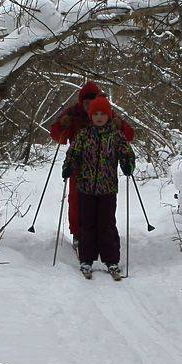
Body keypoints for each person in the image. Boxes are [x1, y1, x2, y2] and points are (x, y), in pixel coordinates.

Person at [49, 82, 134, 249]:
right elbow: (57, 135)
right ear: (81, 102)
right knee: (77, 202)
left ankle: (103, 235)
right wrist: (63, 124)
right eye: (86, 103)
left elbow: (128, 136)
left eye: (91, 102)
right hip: (79, 167)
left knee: (105, 204)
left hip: (105, 168)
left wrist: (120, 126)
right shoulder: (73, 113)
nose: (88, 106)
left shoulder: (105, 112)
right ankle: (78, 234)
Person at [63, 95, 136, 280]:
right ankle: (86, 259)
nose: (99, 117)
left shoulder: (116, 135)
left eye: (103, 113)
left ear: (109, 115)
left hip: (108, 188)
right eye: (95, 114)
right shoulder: (84, 135)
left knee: (107, 224)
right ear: (91, 116)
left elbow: (127, 152)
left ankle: (111, 260)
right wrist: (68, 166)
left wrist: (127, 163)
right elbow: (73, 153)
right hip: (85, 187)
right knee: (87, 224)